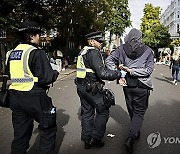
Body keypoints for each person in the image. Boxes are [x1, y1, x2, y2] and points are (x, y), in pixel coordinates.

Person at [6, 21, 59, 154]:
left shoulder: (11, 53)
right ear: (31, 36)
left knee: (20, 135)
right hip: (34, 95)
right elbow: (47, 77)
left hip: (15, 97)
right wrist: (55, 72)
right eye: (38, 35)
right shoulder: (35, 52)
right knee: (48, 129)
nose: (39, 38)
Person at [106, 28, 154, 153]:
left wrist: (119, 73)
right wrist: (133, 70)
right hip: (142, 85)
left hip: (127, 84)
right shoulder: (148, 50)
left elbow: (109, 60)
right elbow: (148, 70)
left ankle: (135, 128)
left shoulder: (121, 48)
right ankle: (131, 137)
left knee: (131, 108)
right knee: (139, 112)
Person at [75, 31, 124, 149]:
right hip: (92, 88)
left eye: (101, 41)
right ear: (91, 41)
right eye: (98, 41)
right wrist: (119, 73)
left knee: (87, 113)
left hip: (82, 87)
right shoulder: (93, 52)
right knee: (103, 111)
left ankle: (87, 140)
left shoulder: (83, 51)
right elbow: (102, 73)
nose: (101, 43)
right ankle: (96, 138)